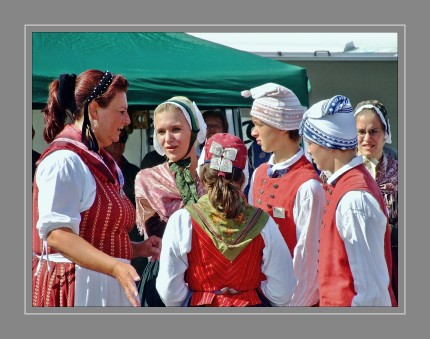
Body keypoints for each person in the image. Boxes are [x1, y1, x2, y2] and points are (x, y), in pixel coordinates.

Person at [32, 70, 161, 307]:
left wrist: (137, 248)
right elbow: (57, 234)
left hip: (100, 287)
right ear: (94, 111)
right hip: (78, 289)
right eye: (121, 112)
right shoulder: (64, 161)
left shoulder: (97, 163)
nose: (127, 120)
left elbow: (95, 239)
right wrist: (114, 266)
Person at [156, 133, 296, 307]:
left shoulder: (182, 221)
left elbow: (169, 291)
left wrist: (198, 296)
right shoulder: (262, 222)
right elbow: (283, 289)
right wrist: (252, 292)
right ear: (243, 177)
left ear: (202, 175)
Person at [300, 94, 397, 306]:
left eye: (310, 142)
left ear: (328, 144)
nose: (308, 150)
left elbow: (372, 293)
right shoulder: (344, 187)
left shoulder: (354, 199)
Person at [242, 83, 325, 307]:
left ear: (280, 126)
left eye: (258, 124)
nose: (253, 132)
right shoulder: (259, 173)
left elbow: (308, 260)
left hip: (293, 301)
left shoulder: (308, 186)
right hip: (258, 295)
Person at [134, 95, 207, 306]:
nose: (167, 139)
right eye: (161, 131)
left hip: (212, 277)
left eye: (175, 129)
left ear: (193, 131)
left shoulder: (214, 178)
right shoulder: (148, 179)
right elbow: (157, 236)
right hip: (163, 278)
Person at [354, 99, 398, 303]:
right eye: (361, 131)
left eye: (374, 131)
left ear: (385, 133)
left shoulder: (400, 170)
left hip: (394, 261)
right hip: (354, 260)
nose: (367, 138)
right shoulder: (338, 170)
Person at [104, 128, 148, 277]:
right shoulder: (94, 169)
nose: (118, 143)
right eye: (116, 138)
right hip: (106, 238)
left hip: (133, 238)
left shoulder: (134, 172)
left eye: (123, 139)